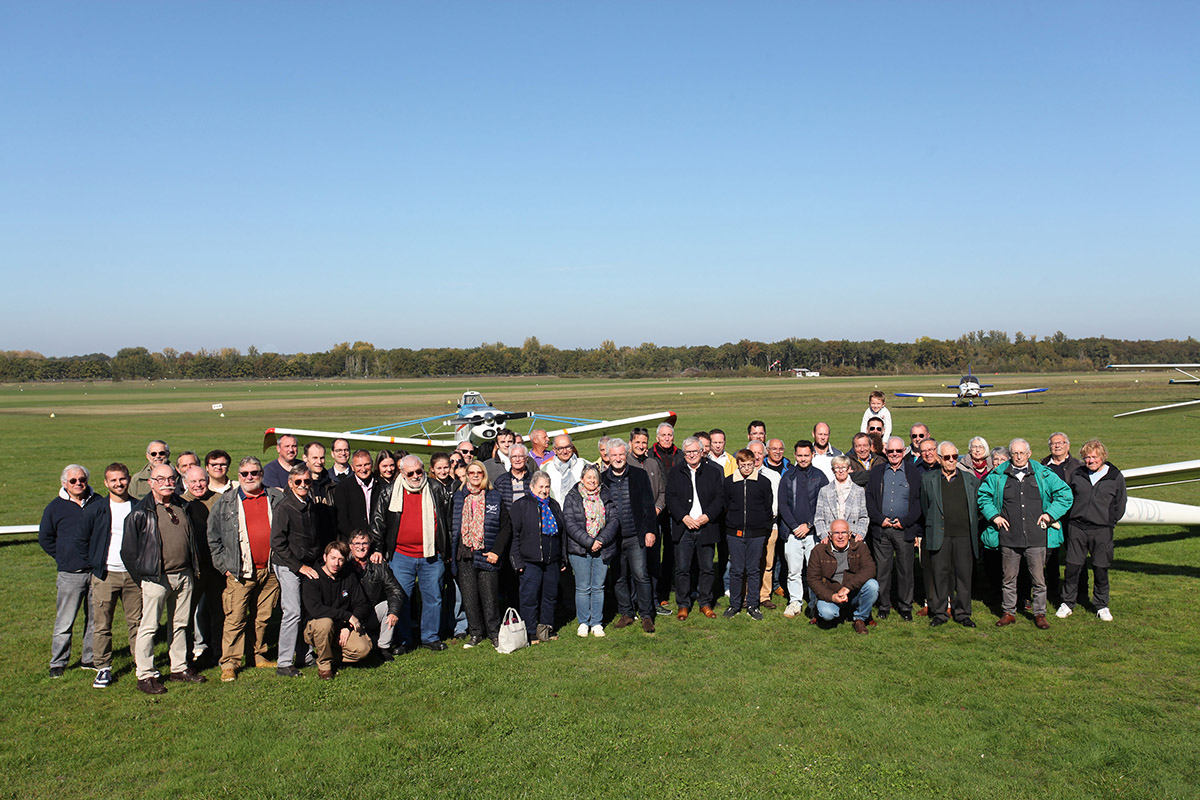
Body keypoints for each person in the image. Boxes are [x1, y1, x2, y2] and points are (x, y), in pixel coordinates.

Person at [122, 464, 206, 694]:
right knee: (149, 627)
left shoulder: (183, 506)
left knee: (180, 624)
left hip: (184, 575)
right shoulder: (140, 512)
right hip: (156, 578)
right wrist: (144, 579)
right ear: (151, 483)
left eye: (171, 479)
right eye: (160, 479)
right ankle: (145, 674)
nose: (167, 483)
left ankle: (179, 668)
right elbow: (128, 552)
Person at [978, 438, 1073, 629]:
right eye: (1015, 453)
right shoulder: (998, 474)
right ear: (1010, 455)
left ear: (1029, 454)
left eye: (1022, 453)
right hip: (1009, 536)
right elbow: (983, 496)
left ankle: (1040, 614)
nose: (1019, 456)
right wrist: (994, 516)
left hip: (1036, 536)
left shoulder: (1043, 474)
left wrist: (1050, 515)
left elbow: (1065, 494)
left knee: (1038, 580)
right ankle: (1008, 612)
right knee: (1008, 579)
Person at [206, 456, 283, 682]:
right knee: (235, 618)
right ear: (238, 476)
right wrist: (224, 566)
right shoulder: (226, 502)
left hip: (270, 569)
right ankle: (230, 663)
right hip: (240, 572)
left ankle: (257, 655)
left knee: (262, 617)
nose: (250, 477)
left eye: (254, 473)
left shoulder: (275, 497)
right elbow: (213, 537)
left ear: (261, 474)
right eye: (245, 474)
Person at [370, 454, 449, 652]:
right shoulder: (389, 492)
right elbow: (378, 522)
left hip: (431, 555)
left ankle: (430, 637)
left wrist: (445, 549)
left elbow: (447, 521)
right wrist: (378, 549)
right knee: (400, 598)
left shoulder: (436, 489)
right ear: (402, 473)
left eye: (418, 471)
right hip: (401, 555)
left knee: (433, 598)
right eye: (410, 473)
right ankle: (403, 639)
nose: (415, 476)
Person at [78, 463, 140, 688]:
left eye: (122, 479)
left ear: (129, 479)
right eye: (113, 480)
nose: (118, 483)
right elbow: (81, 540)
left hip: (134, 576)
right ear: (106, 483)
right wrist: (95, 564)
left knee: (137, 623)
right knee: (102, 624)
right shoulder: (96, 509)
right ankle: (103, 667)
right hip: (105, 575)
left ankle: (141, 664)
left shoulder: (139, 507)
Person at [40, 463, 103, 678]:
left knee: (95, 619)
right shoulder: (55, 507)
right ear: (64, 483)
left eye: (82, 480)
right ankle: (58, 662)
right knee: (65, 621)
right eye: (73, 481)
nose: (78, 484)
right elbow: (45, 538)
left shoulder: (98, 502)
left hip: (96, 572)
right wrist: (63, 556)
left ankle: (90, 658)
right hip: (70, 574)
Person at [1059, 440, 1127, 622]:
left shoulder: (1115, 476)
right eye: (1087, 457)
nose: (1090, 460)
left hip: (1101, 530)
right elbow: (1069, 498)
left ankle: (1101, 605)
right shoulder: (1078, 474)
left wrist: (1108, 522)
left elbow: (1120, 504)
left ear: (1102, 456)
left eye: (1094, 457)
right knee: (1072, 567)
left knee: (1100, 568)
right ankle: (1067, 603)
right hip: (1077, 528)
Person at [919, 441, 982, 628]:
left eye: (955, 456)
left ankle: (963, 613)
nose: (952, 460)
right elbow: (925, 506)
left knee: (964, 576)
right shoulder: (928, 480)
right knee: (939, 575)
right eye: (947, 457)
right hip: (940, 535)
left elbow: (977, 508)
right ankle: (939, 613)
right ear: (939, 459)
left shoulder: (970, 480)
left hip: (964, 536)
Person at [450, 462, 511, 648]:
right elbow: (451, 524)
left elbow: (505, 527)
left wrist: (496, 551)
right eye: (472, 472)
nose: (475, 475)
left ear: (484, 475)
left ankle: (494, 633)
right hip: (465, 553)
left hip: (486, 553)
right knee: (469, 597)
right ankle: (475, 633)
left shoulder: (494, 496)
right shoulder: (459, 496)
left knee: (489, 597)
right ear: (467, 475)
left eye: (479, 472)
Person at [665, 437, 725, 619]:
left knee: (707, 568)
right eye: (688, 452)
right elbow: (670, 497)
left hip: (706, 526)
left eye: (694, 451)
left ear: (701, 452)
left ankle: (705, 603)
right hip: (684, 527)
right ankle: (683, 604)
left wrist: (708, 516)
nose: (691, 455)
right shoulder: (675, 472)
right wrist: (684, 517)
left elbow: (720, 498)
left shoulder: (713, 472)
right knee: (682, 568)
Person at [601, 438, 657, 634]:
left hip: (635, 535)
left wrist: (650, 530)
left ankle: (647, 615)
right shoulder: (602, 479)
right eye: (614, 455)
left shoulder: (639, 475)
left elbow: (648, 504)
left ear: (626, 454)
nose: (618, 458)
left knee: (641, 575)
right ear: (608, 457)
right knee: (618, 577)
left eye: (621, 454)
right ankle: (626, 613)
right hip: (613, 538)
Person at [865, 436, 923, 621]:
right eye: (891, 451)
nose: (895, 454)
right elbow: (869, 499)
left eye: (898, 451)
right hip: (882, 530)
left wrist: (905, 521)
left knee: (905, 570)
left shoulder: (913, 473)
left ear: (904, 451)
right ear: (885, 451)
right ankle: (884, 605)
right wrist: (879, 519)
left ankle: (905, 607)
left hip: (903, 529)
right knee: (883, 570)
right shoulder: (877, 472)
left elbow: (918, 502)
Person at [270, 464, 321, 677]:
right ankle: (284, 662)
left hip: (307, 563)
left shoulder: (310, 503)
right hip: (288, 564)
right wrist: (298, 566)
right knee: (292, 612)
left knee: (307, 608)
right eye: (298, 481)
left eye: (306, 481)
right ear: (290, 483)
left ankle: (305, 655)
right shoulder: (284, 507)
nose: (303, 485)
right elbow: (277, 543)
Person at [301, 541, 373, 679]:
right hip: (316, 626)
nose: (336, 563)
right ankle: (325, 666)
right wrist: (347, 616)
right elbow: (316, 609)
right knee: (325, 623)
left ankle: (329, 652)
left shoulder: (348, 576)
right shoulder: (313, 578)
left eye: (340, 559)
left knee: (363, 649)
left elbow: (362, 604)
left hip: (341, 626)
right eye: (333, 558)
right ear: (325, 557)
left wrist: (348, 627)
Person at [510, 471, 566, 643]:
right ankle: (530, 631)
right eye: (540, 486)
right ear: (532, 487)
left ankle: (546, 629)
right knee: (530, 597)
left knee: (550, 596)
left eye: (547, 486)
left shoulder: (554, 505)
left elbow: (562, 534)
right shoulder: (521, 505)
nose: (544, 490)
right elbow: (514, 535)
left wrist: (563, 558)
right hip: (530, 561)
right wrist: (517, 561)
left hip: (552, 560)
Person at [563, 464, 618, 637]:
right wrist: (589, 542)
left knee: (598, 586)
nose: (592, 481)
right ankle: (583, 622)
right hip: (579, 548)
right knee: (583, 587)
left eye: (595, 477)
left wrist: (600, 540)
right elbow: (570, 523)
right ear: (582, 479)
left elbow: (613, 520)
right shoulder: (572, 497)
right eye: (589, 477)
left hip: (602, 547)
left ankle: (596, 622)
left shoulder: (606, 495)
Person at [721, 449, 774, 620]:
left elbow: (768, 506)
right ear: (738, 464)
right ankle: (735, 604)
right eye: (743, 465)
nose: (746, 468)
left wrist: (762, 525)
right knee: (736, 569)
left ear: (754, 463)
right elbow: (725, 504)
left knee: (753, 569)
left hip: (756, 533)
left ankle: (753, 604)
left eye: (750, 465)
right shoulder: (729, 482)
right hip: (735, 533)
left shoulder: (763, 482)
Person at [779, 441, 829, 619]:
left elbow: (823, 504)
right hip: (792, 533)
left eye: (806, 455)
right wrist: (794, 526)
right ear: (795, 455)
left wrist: (808, 525)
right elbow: (783, 505)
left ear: (812, 455)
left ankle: (815, 602)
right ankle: (795, 602)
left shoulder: (820, 477)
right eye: (799, 455)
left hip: (813, 533)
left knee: (814, 571)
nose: (803, 459)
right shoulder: (788, 476)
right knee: (794, 571)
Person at [807, 519, 879, 633]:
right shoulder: (818, 551)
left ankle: (860, 619)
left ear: (850, 534)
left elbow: (870, 569)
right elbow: (812, 579)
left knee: (872, 585)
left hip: (853, 593)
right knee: (827, 613)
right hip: (831, 594)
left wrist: (848, 587)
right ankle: (833, 613)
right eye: (836, 533)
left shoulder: (860, 547)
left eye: (844, 532)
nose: (840, 537)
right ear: (830, 535)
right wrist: (832, 596)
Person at [346, 531, 405, 657]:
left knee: (389, 606)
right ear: (350, 546)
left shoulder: (379, 565)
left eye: (364, 543)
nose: (361, 547)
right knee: (363, 649)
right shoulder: (343, 565)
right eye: (357, 543)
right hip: (349, 616)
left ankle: (384, 647)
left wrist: (393, 612)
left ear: (370, 545)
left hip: (371, 613)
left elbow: (395, 590)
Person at [1042, 432, 1085, 607]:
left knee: (1076, 555)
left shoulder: (1078, 466)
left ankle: (1081, 591)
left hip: (1072, 518)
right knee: (1050, 555)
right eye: (1053, 443)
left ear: (1068, 445)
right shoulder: (1043, 465)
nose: (1057, 446)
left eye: (1061, 443)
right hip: (1050, 517)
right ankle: (1052, 589)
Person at [746, 440, 782, 608]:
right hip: (748, 528)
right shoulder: (740, 475)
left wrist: (766, 518)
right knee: (748, 562)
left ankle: (764, 595)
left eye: (760, 453)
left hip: (769, 525)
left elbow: (776, 503)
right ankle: (746, 594)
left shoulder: (773, 476)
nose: (756, 456)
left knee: (767, 563)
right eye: (753, 453)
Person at [334, 449, 378, 541]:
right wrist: (358, 539)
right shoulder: (343, 487)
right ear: (352, 467)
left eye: (366, 464)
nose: (363, 469)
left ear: (372, 464)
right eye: (359, 465)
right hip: (352, 542)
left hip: (376, 541)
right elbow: (342, 520)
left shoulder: (381, 486)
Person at [546, 433, 585, 504]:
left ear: (572, 446)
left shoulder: (584, 465)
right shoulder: (546, 469)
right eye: (560, 448)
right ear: (554, 450)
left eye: (567, 447)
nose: (565, 452)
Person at [494, 443, 532, 510]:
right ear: (510, 459)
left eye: (521, 456)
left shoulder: (534, 479)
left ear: (526, 459)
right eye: (514, 456)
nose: (517, 459)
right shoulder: (501, 482)